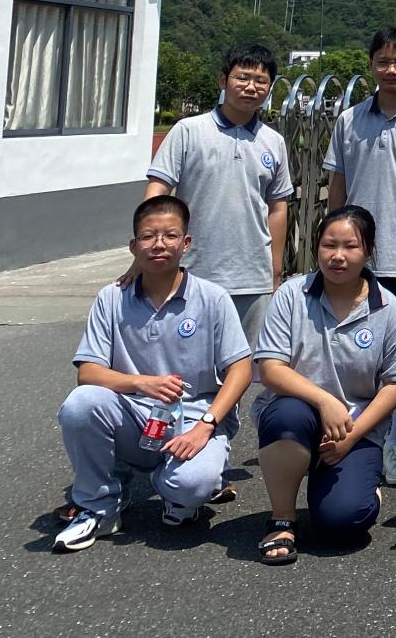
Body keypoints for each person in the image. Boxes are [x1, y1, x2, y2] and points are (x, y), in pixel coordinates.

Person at [53, 197, 252, 551]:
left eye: (170, 235)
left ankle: (179, 489)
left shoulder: (213, 298)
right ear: (134, 246)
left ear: (186, 243)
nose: (159, 244)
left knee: (192, 485)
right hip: (133, 417)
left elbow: (241, 368)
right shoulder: (111, 298)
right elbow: (88, 372)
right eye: (148, 236)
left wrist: (206, 424)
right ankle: (99, 507)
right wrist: (140, 382)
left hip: (193, 420)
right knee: (80, 404)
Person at [251, 206, 396, 565]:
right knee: (286, 415)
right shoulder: (292, 295)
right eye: (329, 245)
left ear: (368, 251)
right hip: (298, 414)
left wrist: (352, 436)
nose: (337, 256)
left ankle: (358, 482)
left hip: (356, 427)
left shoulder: (389, 310)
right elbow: (271, 370)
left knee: (343, 521)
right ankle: (282, 519)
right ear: (317, 247)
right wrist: (325, 401)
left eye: (350, 246)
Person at [322, 25, 396, 482]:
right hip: (359, 261)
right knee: (360, 353)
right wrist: (332, 243)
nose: (391, 70)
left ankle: (395, 440)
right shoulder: (349, 120)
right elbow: (338, 185)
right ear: (371, 65)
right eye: (383, 61)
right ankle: (358, 434)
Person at [143, 43, 292, 344]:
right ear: (223, 80)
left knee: (246, 361)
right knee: (187, 355)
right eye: (243, 77)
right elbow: (159, 189)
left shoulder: (274, 142)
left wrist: (275, 272)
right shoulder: (188, 131)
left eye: (261, 81)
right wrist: (147, 247)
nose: (251, 87)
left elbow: (278, 208)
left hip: (252, 277)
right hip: (192, 270)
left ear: (269, 88)